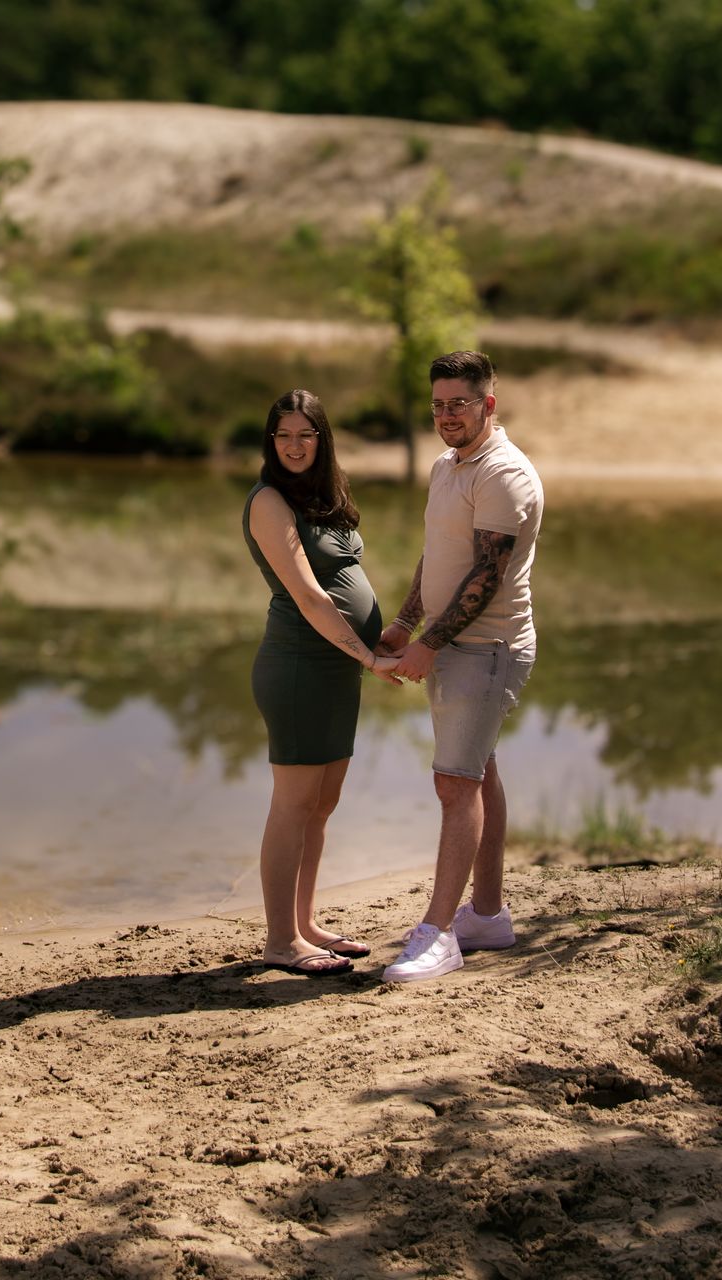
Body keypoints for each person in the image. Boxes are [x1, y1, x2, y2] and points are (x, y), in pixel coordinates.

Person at [376, 350, 544, 984]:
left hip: (488, 647)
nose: (447, 415)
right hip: (456, 644)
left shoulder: (503, 473)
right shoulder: (448, 464)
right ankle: (488, 916)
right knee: (476, 772)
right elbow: (438, 555)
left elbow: (484, 576)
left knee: (455, 785)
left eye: (460, 404)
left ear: (488, 405)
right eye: (438, 404)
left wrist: (427, 647)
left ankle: (440, 933)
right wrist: (406, 622)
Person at [243, 390, 401, 977]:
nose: (293, 446)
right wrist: (366, 655)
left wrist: (375, 641)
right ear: (270, 442)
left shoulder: (326, 498)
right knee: (293, 803)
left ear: (322, 440)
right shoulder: (269, 502)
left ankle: (305, 924)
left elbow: (344, 580)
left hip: (336, 667)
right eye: (283, 435)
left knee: (321, 803)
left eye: (305, 435)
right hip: (299, 667)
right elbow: (310, 597)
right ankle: (281, 940)